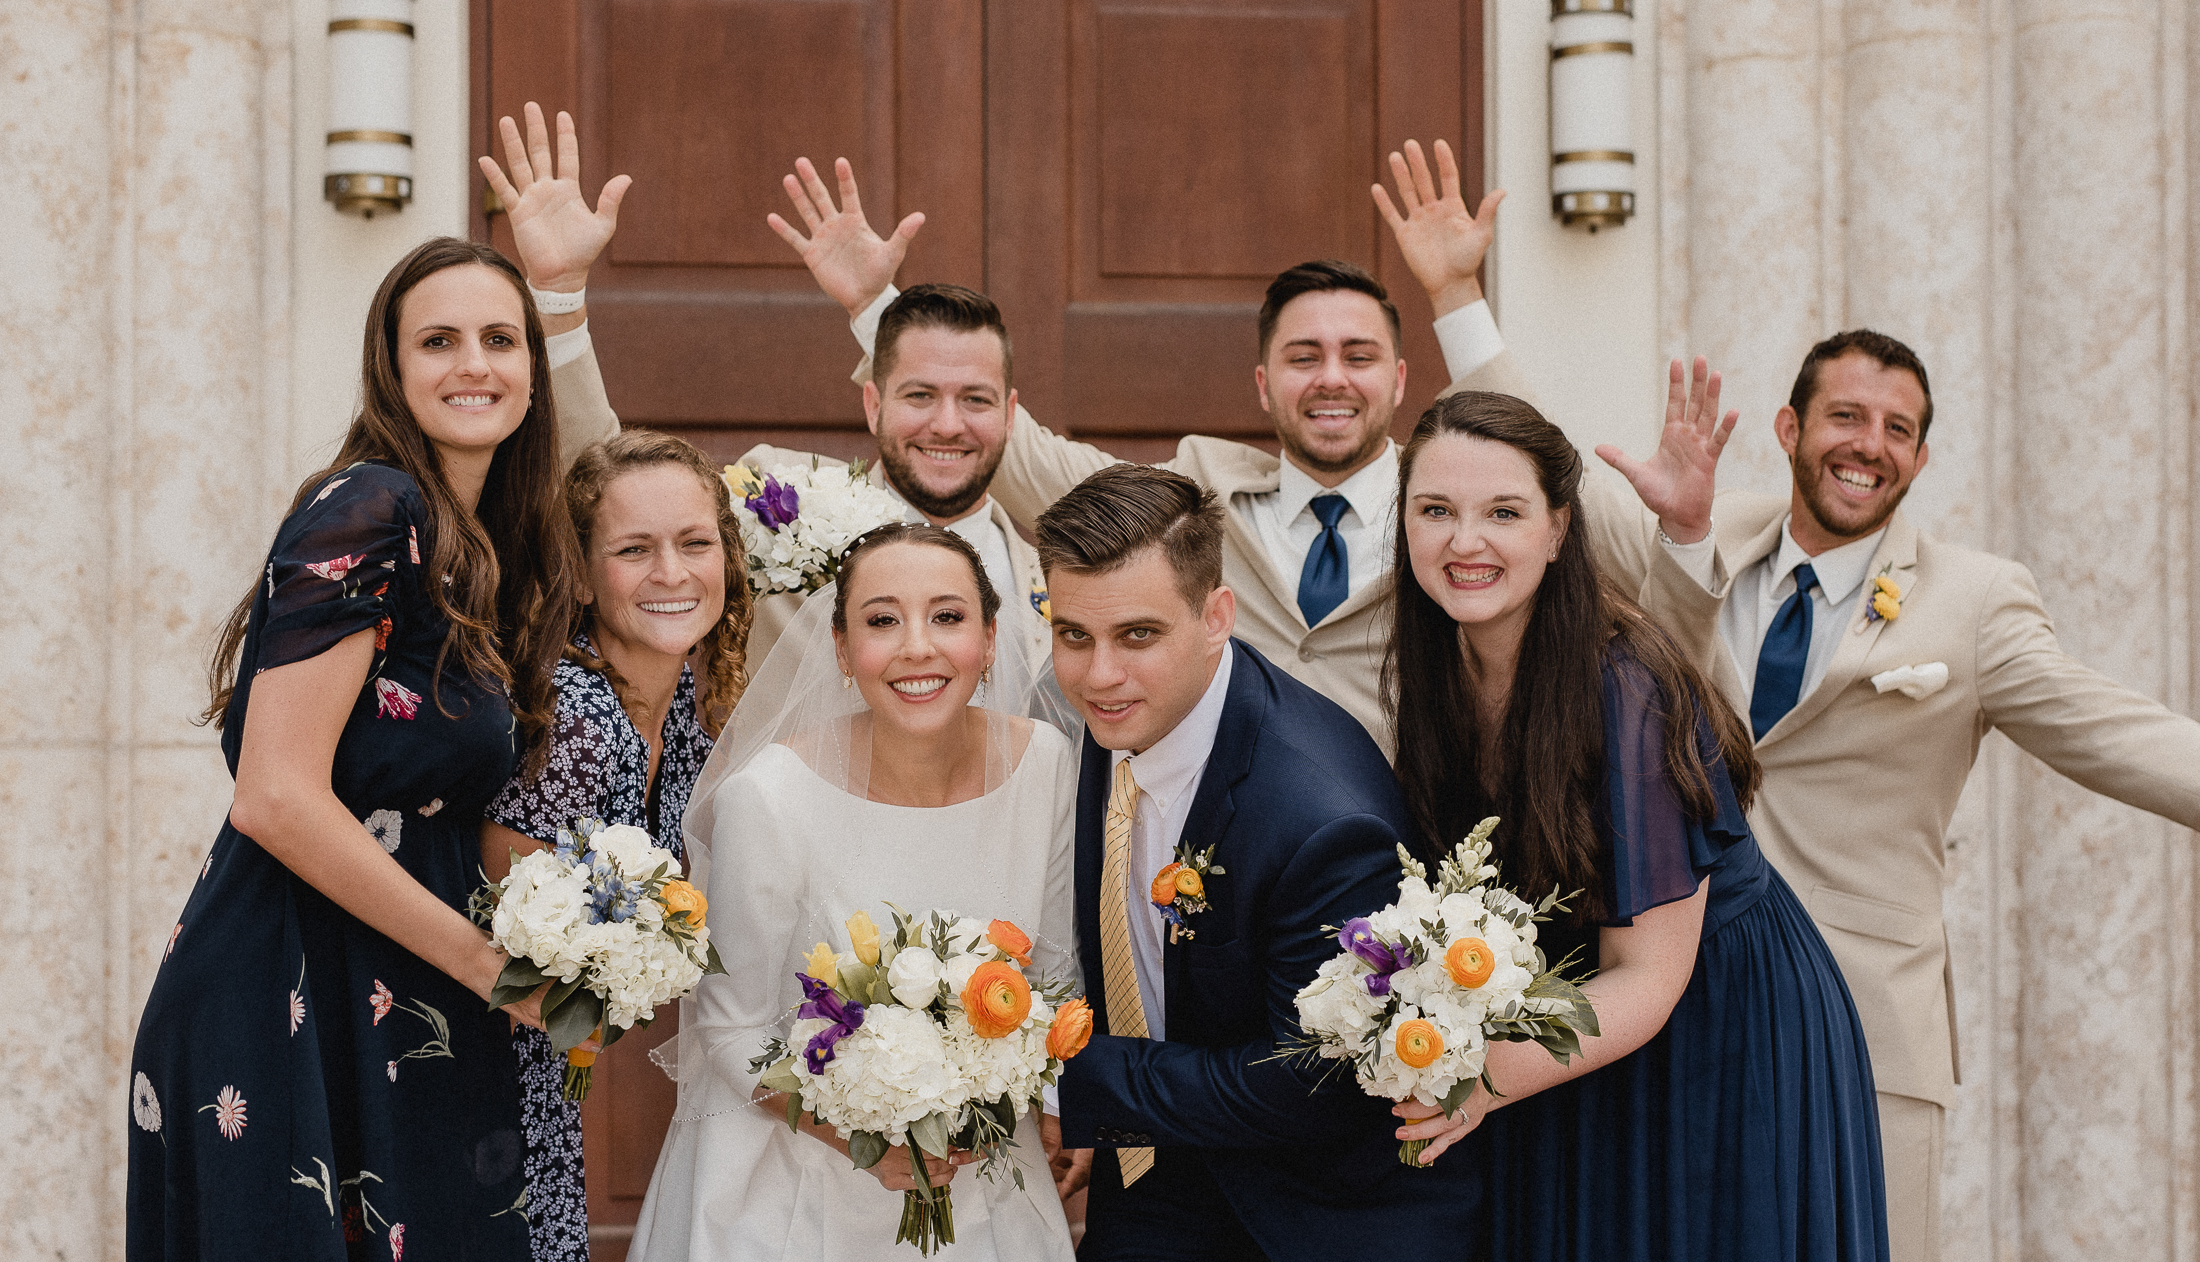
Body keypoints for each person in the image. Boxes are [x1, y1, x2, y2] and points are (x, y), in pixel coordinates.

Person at [1379, 134, 2200, 1262]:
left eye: (1898, 429)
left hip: (1833, 1018)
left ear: (1920, 457)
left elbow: (2120, 734)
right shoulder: (1683, 532)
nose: (1866, 444)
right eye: (1844, 418)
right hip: (1633, 1002)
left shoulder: (1973, 604)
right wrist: (1452, 297)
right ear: (1792, 427)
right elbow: (1504, 475)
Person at [538, 152, 1722, 758]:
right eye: (1303, 356)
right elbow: (981, 428)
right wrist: (876, 307)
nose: (1331, 377)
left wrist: (1461, 299)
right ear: (1262, 384)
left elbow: (1598, 538)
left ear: (1403, 383)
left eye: (1360, 355)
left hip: (1397, 864)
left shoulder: (1459, 515)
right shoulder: (1186, 491)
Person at [125, 237, 581, 1262]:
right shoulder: (370, 505)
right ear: (390, 365)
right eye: (438, 340)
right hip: (287, 987)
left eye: (499, 338)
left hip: (401, 992)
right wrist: (488, 964)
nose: (472, 364)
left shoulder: (484, 550)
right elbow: (276, 792)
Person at [1387, 391, 1896, 1262]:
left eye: (1501, 511)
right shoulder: (1439, 669)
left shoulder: (1624, 686)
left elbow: (1652, 976)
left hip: (1724, 1030)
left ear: (1558, 527)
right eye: (1435, 509)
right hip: (1582, 1028)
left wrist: (1471, 1076)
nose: (1465, 540)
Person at [590, 524, 1087, 1262]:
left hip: (980, 1179)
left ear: (991, 636)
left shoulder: (1044, 763)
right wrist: (857, 1133)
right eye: (883, 620)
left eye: (946, 616)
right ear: (842, 648)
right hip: (792, 1186)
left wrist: (1043, 1100)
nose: (918, 648)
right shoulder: (769, 799)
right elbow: (731, 1027)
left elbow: (1052, 975)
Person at [1036, 465, 1483, 1262]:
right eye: (1072, 634)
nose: (1098, 672)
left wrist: (1071, 1081)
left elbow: (1310, 1087)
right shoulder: (1110, 714)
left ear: (1217, 615)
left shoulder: (1319, 814)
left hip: (1348, 1213)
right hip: (1175, 1182)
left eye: (1137, 634)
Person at [479, 111, 1052, 674]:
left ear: (1009, 413)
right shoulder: (775, 498)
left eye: (975, 400)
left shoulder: (1058, 583)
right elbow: (609, 486)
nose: (947, 423)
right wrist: (558, 296)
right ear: (873, 403)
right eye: (920, 396)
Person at [478, 428, 752, 1262]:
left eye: (695, 541)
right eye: (634, 549)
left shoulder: (689, 712)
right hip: (470, 1081)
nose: (671, 571)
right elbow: (502, 943)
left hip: (546, 1081)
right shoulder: (570, 715)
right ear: (583, 579)